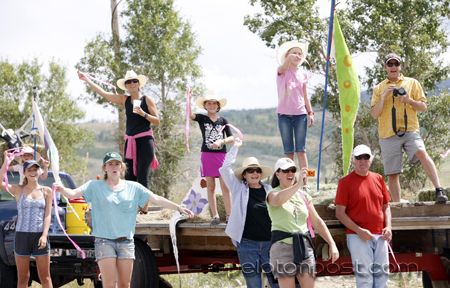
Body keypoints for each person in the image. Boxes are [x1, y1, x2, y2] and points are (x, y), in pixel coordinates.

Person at [54, 152, 193, 288]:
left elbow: (156, 198)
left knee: (125, 285)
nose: (114, 167)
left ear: (122, 167)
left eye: (117, 164)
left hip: (126, 242)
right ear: (104, 167)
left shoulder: (134, 187)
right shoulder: (94, 186)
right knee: (108, 285)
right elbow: (72, 194)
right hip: (104, 242)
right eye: (110, 164)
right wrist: (61, 189)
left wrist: (178, 208)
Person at [77, 70, 160, 213]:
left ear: (138, 83)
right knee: (129, 177)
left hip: (145, 141)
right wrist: (86, 80)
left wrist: (143, 114)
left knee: (142, 176)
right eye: (128, 82)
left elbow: (157, 121)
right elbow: (104, 93)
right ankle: (132, 208)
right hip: (130, 142)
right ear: (126, 86)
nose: (132, 84)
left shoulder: (147, 100)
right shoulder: (125, 100)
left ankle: (144, 210)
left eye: (134, 81)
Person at [370, 53, 448, 202]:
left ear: (400, 66)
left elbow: (423, 107)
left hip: (410, 129)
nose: (393, 67)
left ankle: (439, 190)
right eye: (390, 64)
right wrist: (383, 97)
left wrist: (408, 100)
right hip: (387, 134)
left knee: (421, 152)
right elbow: (374, 114)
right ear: (385, 67)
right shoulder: (379, 88)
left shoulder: (412, 83)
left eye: (396, 64)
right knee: (393, 173)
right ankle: (398, 205)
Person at [266, 158, 339, 287]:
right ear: (277, 174)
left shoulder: (303, 195)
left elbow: (317, 222)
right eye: (286, 170)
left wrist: (331, 243)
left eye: (293, 170)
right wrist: (299, 184)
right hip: (282, 247)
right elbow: (278, 201)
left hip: (304, 246)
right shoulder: (272, 192)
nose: (290, 173)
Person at [219, 138, 278, 287]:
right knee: (253, 284)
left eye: (257, 170)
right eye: (250, 170)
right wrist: (235, 147)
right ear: (244, 175)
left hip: (269, 244)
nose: (254, 173)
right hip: (247, 244)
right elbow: (225, 169)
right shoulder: (238, 188)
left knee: (277, 282)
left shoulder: (269, 190)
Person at [335, 144, 392, 288]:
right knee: (365, 280)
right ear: (353, 160)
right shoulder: (345, 182)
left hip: (380, 236)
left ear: (371, 160)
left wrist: (388, 227)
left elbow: (386, 206)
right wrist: (360, 231)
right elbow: (339, 213)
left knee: (382, 279)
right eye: (358, 157)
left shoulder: (378, 178)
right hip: (357, 237)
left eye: (366, 157)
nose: (362, 160)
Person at [0, 154, 53, 288]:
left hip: (40, 236)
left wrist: (44, 235)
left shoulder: (46, 191)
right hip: (22, 236)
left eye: (35, 169)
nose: (33, 172)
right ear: (24, 172)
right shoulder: (18, 189)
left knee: (45, 277)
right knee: (23, 277)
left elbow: (47, 215)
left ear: (39, 171)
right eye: (29, 170)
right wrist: (6, 162)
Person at [189, 90, 234, 225]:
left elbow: (231, 137)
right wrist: (189, 99)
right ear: (205, 105)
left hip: (221, 156)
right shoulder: (202, 118)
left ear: (218, 105)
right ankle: (215, 216)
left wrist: (221, 141)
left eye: (214, 103)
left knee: (225, 187)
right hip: (207, 156)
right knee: (211, 187)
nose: (212, 105)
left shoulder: (223, 120)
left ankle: (229, 215)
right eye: (209, 103)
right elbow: (190, 115)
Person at [276, 41, 315, 188]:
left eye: (300, 54)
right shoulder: (282, 70)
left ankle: (305, 182)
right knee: (288, 151)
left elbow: (305, 96)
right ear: (287, 56)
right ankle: (289, 182)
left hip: (300, 115)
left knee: (301, 150)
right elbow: (284, 66)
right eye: (294, 53)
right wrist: (288, 58)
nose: (297, 56)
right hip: (284, 116)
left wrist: (310, 112)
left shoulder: (303, 73)